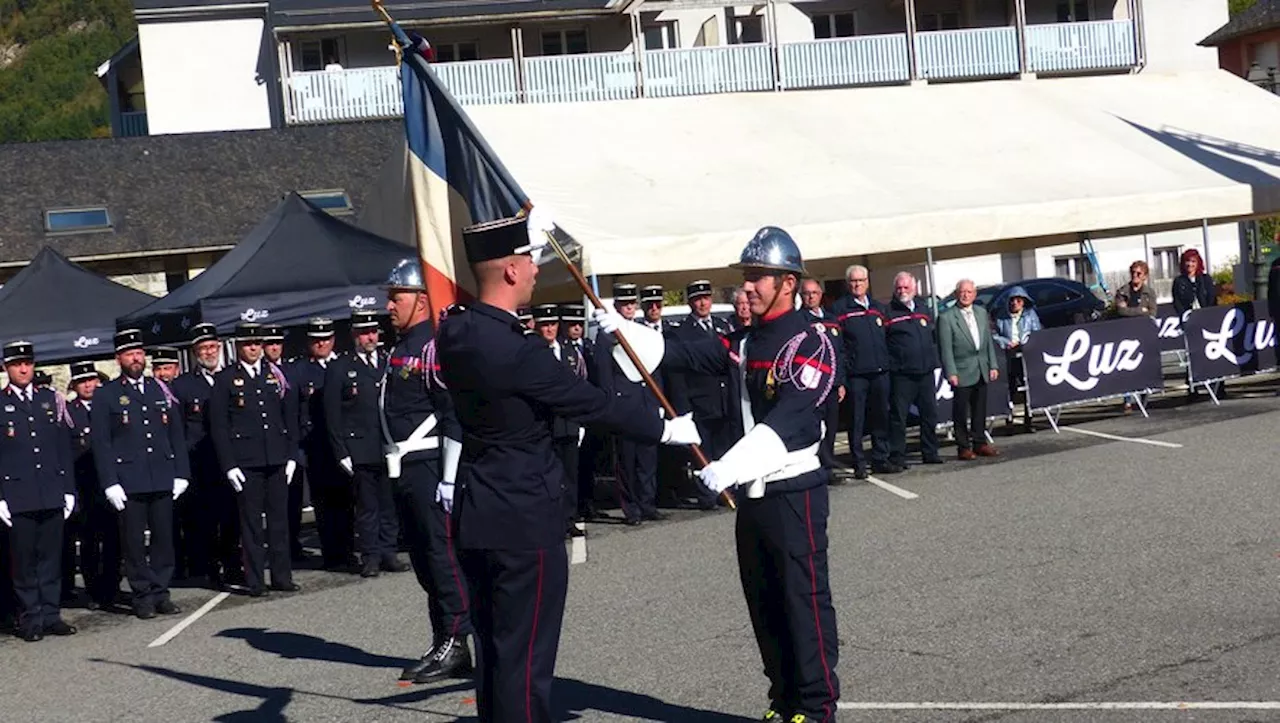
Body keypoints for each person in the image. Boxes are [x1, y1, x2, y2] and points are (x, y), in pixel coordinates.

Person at [436, 213, 701, 723]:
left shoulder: (458, 334)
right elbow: (592, 404)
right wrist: (665, 430)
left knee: (495, 654)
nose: (536, 271)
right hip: (523, 518)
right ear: (511, 270)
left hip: (478, 512)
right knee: (527, 660)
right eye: (530, 263)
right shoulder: (518, 350)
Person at [679, 226, 841, 723]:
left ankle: (815, 707)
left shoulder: (811, 341)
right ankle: (784, 699)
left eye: (757, 277)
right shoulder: (748, 340)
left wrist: (729, 465)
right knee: (764, 600)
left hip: (793, 488)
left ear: (787, 283)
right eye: (746, 277)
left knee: (802, 599)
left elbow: (790, 420)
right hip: (753, 493)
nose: (746, 286)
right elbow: (679, 353)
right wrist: (622, 332)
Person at [380, 259, 473, 685]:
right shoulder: (402, 346)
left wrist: (449, 477)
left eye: (395, 297)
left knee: (441, 555)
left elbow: (450, 413)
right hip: (406, 465)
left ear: (421, 300)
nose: (388, 306)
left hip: (430, 464)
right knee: (423, 560)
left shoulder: (431, 345)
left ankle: (456, 639)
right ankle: (445, 638)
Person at [91, 331, 189, 620]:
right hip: (128, 479)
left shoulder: (159, 388)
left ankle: (161, 592)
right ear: (118, 358)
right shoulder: (106, 394)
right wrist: (110, 482)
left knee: (163, 539)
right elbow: (102, 442)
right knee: (133, 543)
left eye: (139, 353)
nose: (136, 358)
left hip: (160, 474)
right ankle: (141, 595)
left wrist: (181, 472)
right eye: (130, 353)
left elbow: (175, 434)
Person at [209, 323, 301, 597]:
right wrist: (229, 465)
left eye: (257, 344)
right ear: (238, 347)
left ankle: (282, 576)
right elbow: (220, 427)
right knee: (250, 524)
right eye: (248, 344)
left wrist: (291, 454)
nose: (253, 348)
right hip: (246, 461)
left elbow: (289, 417)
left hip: (276, 457)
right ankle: (255, 580)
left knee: (279, 521)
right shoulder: (226, 379)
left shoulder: (275, 374)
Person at [0, 341, 77, 641]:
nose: (23, 369)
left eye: (28, 363)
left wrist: (68, 489)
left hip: (50, 491)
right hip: (17, 496)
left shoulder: (50, 399)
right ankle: (30, 618)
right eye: (17, 364)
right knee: (24, 562)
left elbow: (62, 448)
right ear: (6, 368)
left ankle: (51, 614)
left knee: (50, 557)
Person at [325, 310, 408, 579]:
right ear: (354, 336)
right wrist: (341, 451)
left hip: (387, 445)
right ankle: (370, 556)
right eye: (364, 333)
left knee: (389, 504)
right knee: (367, 507)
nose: (370, 337)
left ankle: (389, 552)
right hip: (359, 448)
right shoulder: (340, 367)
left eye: (373, 332)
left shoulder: (387, 362)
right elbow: (333, 415)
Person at [170, 322, 242, 591]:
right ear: (194, 352)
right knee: (205, 519)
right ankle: (211, 568)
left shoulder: (233, 377)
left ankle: (234, 566)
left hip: (232, 459)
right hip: (200, 461)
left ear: (220, 347)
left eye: (212, 346)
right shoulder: (183, 385)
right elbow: (178, 428)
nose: (209, 352)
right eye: (203, 348)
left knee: (233, 517)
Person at [595, 282, 665, 526]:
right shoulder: (606, 337)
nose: (629, 309)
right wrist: (611, 404)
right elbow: (604, 374)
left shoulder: (643, 332)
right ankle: (631, 508)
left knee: (647, 457)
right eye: (624, 305)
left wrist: (658, 400)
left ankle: (648, 503)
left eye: (632, 304)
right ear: (616, 306)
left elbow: (653, 369)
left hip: (646, 401)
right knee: (626, 460)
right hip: (624, 403)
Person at [290, 318, 355, 572]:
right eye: (317, 340)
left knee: (347, 502)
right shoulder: (300, 371)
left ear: (333, 340)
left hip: (344, 445)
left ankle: (348, 550)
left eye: (326, 339)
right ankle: (331, 553)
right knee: (324, 504)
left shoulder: (345, 365)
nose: (322, 344)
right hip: (316, 445)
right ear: (309, 342)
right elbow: (295, 410)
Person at [668, 279, 737, 508]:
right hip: (700, 400)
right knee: (703, 452)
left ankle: (725, 490)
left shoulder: (722, 326)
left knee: (724, 448)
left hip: (724, 400)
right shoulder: (683, 333)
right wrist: (683, 407)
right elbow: (679, 374)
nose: (703, 303)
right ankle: (707, 495)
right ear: (690, 303)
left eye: (706, 298)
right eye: (698, 300)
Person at [64, 361, 121, 611]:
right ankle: (94, 589)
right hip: (84, 485)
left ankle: (112, 586)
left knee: (114, 538)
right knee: (88, 542)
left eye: (92, 380)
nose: (89, 385)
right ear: (75, 385)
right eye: (83, 381)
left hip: (108, 483)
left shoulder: (108, 406)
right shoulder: (68, 412)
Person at [831, 264, 897, 477]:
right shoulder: (840, 309)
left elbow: (888, 338)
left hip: (880, 371)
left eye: (861, 280)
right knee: (857, 420)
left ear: (868, 282)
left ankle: (880, 458)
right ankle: (859, 461)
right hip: (856, 375)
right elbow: (838, 345)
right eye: (854, 281)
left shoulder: (879, 307)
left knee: (880, 417)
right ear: (848, 283)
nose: (857, 284)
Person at [885, 272, 943, 468]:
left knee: (930, 415)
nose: (902, 291)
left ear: (914, 289)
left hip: (925, 371)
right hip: (902, 375)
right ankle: (897, 456)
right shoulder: (889, 312)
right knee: (899, 417)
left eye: (906, 288)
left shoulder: (922, 308)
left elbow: (932, 336)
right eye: (899, 288)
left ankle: (930, 452)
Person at [938, 280, 1000, 460]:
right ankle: (963, 446)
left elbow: (987, 341)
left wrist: (993, 364)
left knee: (979, 408)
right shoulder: (946, 317)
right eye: (962, 292)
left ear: (974, 294)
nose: (966, 295)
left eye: (969, 292)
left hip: (981, 367)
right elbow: (946, 348)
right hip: (961, 369)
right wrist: (951, 372)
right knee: (960, 411)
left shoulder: (981, 313)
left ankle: (980, 442)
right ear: (957, 294)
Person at [798, 278, 844, 478]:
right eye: (807, 293)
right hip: (813, 385)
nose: (811, 297)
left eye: (814, 293)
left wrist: (841, 382)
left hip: (832, 384)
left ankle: (828, 463)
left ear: (820, 295)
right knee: (816, 427)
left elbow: (840, 352)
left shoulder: (832, 319)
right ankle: (818, 466)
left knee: (832, 426)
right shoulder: (799, 321)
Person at [992, 287, 1041, 432]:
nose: (1015, 303)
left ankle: (1029, 419)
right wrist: (1006, 342)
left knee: (1028, 388)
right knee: (1010, 387)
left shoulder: (1031, 315)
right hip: (1008, 355)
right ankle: (1009, 419)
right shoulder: (1001, 316)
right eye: (1012, 300)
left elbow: (1037, 332)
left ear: (1024, 302)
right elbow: (994, 334)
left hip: (1026, 354)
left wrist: (1026, 342)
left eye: (1018, 300)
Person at [1114, 261, 1158, 413]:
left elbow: (1152, 313)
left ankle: (1144, 398)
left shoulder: (1149, 292)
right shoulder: (1122, 291)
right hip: (1126, 334)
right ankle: (1127, 401)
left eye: (1138, 273)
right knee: (1127, 368)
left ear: (1145, 276)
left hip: (1143, 333)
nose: (1135, 276)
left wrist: (1134, 310)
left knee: (1144, 366)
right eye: (1133, 272)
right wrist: (1141, 310)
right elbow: (1121, 311)